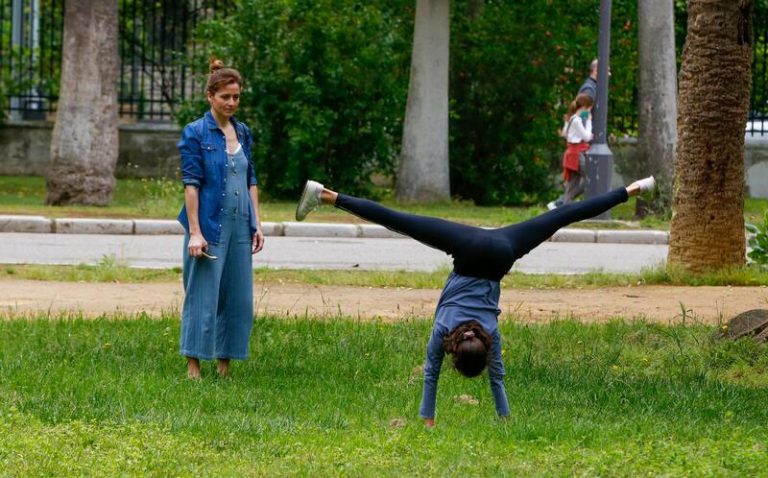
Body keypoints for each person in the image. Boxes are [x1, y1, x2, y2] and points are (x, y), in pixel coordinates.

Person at [294, 175, 656, 427]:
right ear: (455, 354)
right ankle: (326, 195)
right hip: (467, 252)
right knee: (400, 221)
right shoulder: (443, 332)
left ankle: (636, 187)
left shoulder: (491, 335)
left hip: (504, 251)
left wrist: (505, 418)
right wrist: (427, 418)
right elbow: (431, 375)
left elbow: (498, 379)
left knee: (564, 215)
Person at [176, 58, 265, 379]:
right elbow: (191, 185)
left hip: (240, 225)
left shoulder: (242, 132)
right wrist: (195, 232)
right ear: (210, 96)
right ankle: (194, 365)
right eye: (225, 96)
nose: (231, 102)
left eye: (236, 97)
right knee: (203, 294)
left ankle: (224, 365)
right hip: (209, 225)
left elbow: (250, 179)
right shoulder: (196, 133)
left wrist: (257, 224)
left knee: (237, 296)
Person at [548, 93, 594, 210]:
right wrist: (589, 121)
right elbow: (587, 137)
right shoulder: (577, 120)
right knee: (591, 178)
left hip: (571, 154)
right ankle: (563, 203)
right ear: (584, 107)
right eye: (589, 108)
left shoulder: (572, 118)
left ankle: (561, 206)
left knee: (573, 183)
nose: (589, 111)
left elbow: (565, 134)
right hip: (576, 154)